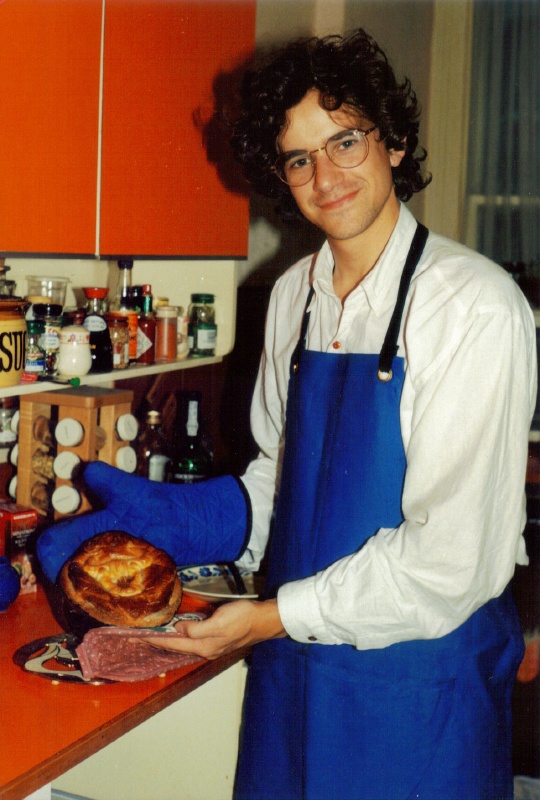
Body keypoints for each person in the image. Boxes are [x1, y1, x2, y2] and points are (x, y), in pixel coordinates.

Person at [38, 29, 537, 800]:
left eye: (345, 141)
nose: (325, 176)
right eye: (299, 158)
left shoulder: (471, 307)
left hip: (417, 697)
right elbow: (284, 481)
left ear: (394, 142)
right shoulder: (290, 299)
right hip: (292, 683)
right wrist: (180, 523)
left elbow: (451, 560)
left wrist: (270, 617)